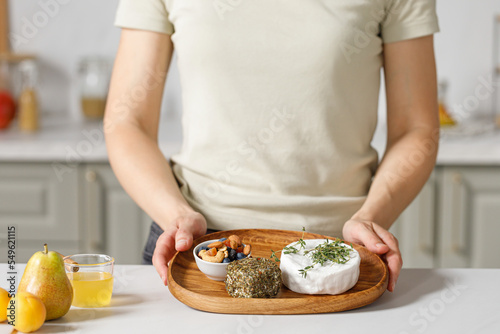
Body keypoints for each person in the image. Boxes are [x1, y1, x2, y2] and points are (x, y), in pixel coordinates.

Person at [105, 0, 440, 293]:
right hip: (198, 244)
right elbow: (126, 122)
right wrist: (175, 215)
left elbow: (416, 128)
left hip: (337, 249)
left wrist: (371, 218)